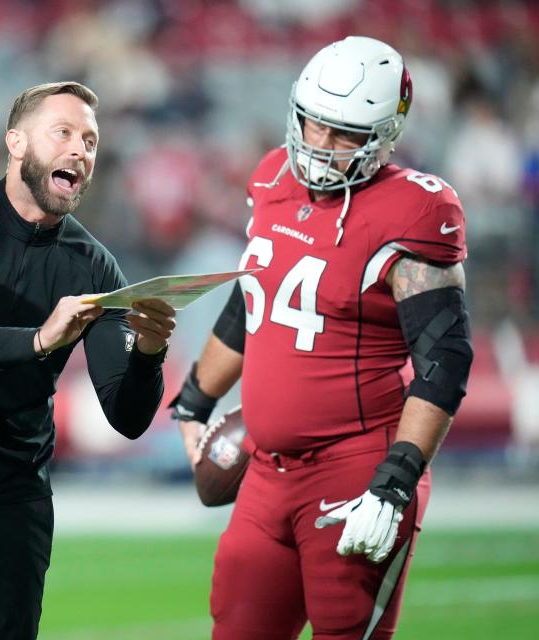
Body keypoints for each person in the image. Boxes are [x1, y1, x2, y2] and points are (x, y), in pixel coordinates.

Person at [171, 36, 473, 639]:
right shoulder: (271, 179)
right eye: (313, 125)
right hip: (265, 471)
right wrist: (193, 401)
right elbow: (252, 301)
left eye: (344, 135)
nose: (321, 146)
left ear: (385, 133)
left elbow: (445, 357)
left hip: (355, 472)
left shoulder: (412, 209)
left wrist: (397, 477)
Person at [0, 82, 177, 640]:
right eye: (64, 133)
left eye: (91, 141)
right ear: (16, 142)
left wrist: (148, 353)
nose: (80, 150)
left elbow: (127, 415)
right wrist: (36, 341)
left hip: (11, 499)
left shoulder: (95, 267)